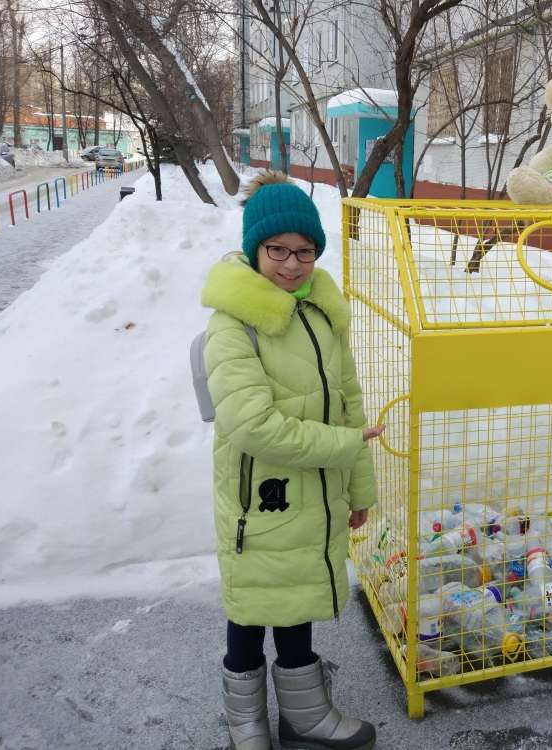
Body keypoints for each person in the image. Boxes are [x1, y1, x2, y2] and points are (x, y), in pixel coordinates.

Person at [201, 171, 383, 750]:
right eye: (277, 250)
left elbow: (349, 410)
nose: (291, 264)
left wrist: (358, 489)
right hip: (262, 499)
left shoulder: (324, 314)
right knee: (253, 609)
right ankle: (245, 722)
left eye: (305, 251)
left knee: (299, 595)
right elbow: (250, 425)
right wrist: (344, 449)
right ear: (255, 248)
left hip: (318, 495)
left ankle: (305, 717)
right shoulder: (232, 325)